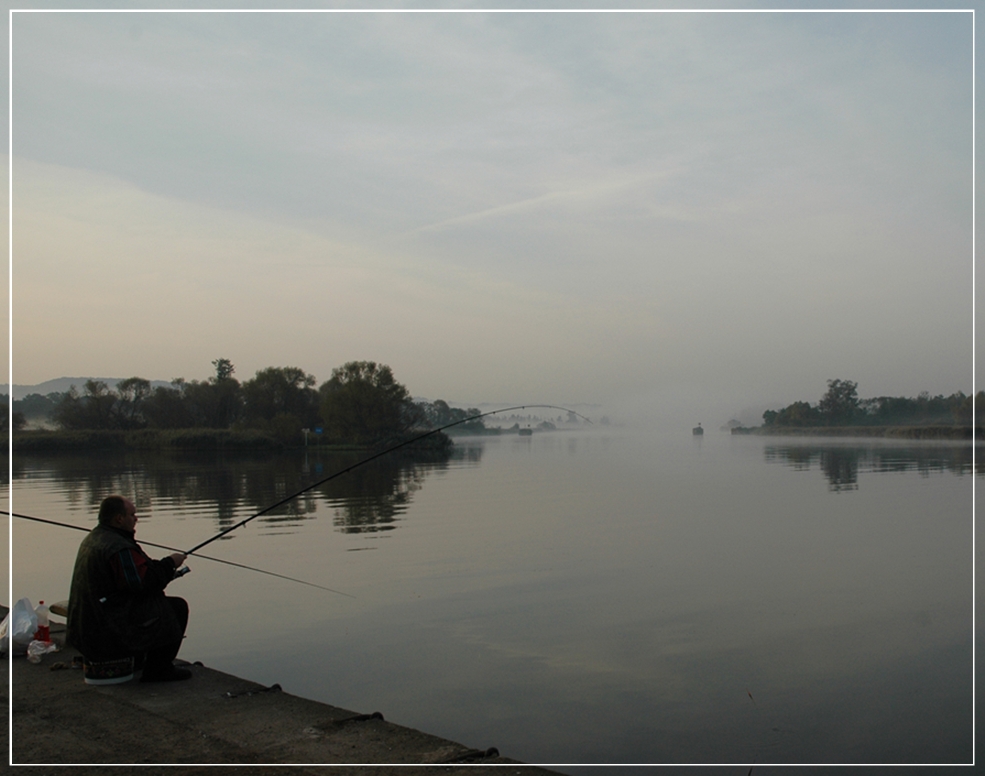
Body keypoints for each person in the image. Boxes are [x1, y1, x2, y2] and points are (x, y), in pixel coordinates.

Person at [67, 495, 192, 682]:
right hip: (105, 625)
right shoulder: (118, 547)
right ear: (119, 518)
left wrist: (164, 566)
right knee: (175, 607)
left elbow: (138, 572)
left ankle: (143, 661)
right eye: (132, 514)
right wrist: (170, 564)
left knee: (157, 604)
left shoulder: (95, 538)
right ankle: (158, 670)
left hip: (89, 621)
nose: (136, 518)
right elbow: (144, 584)